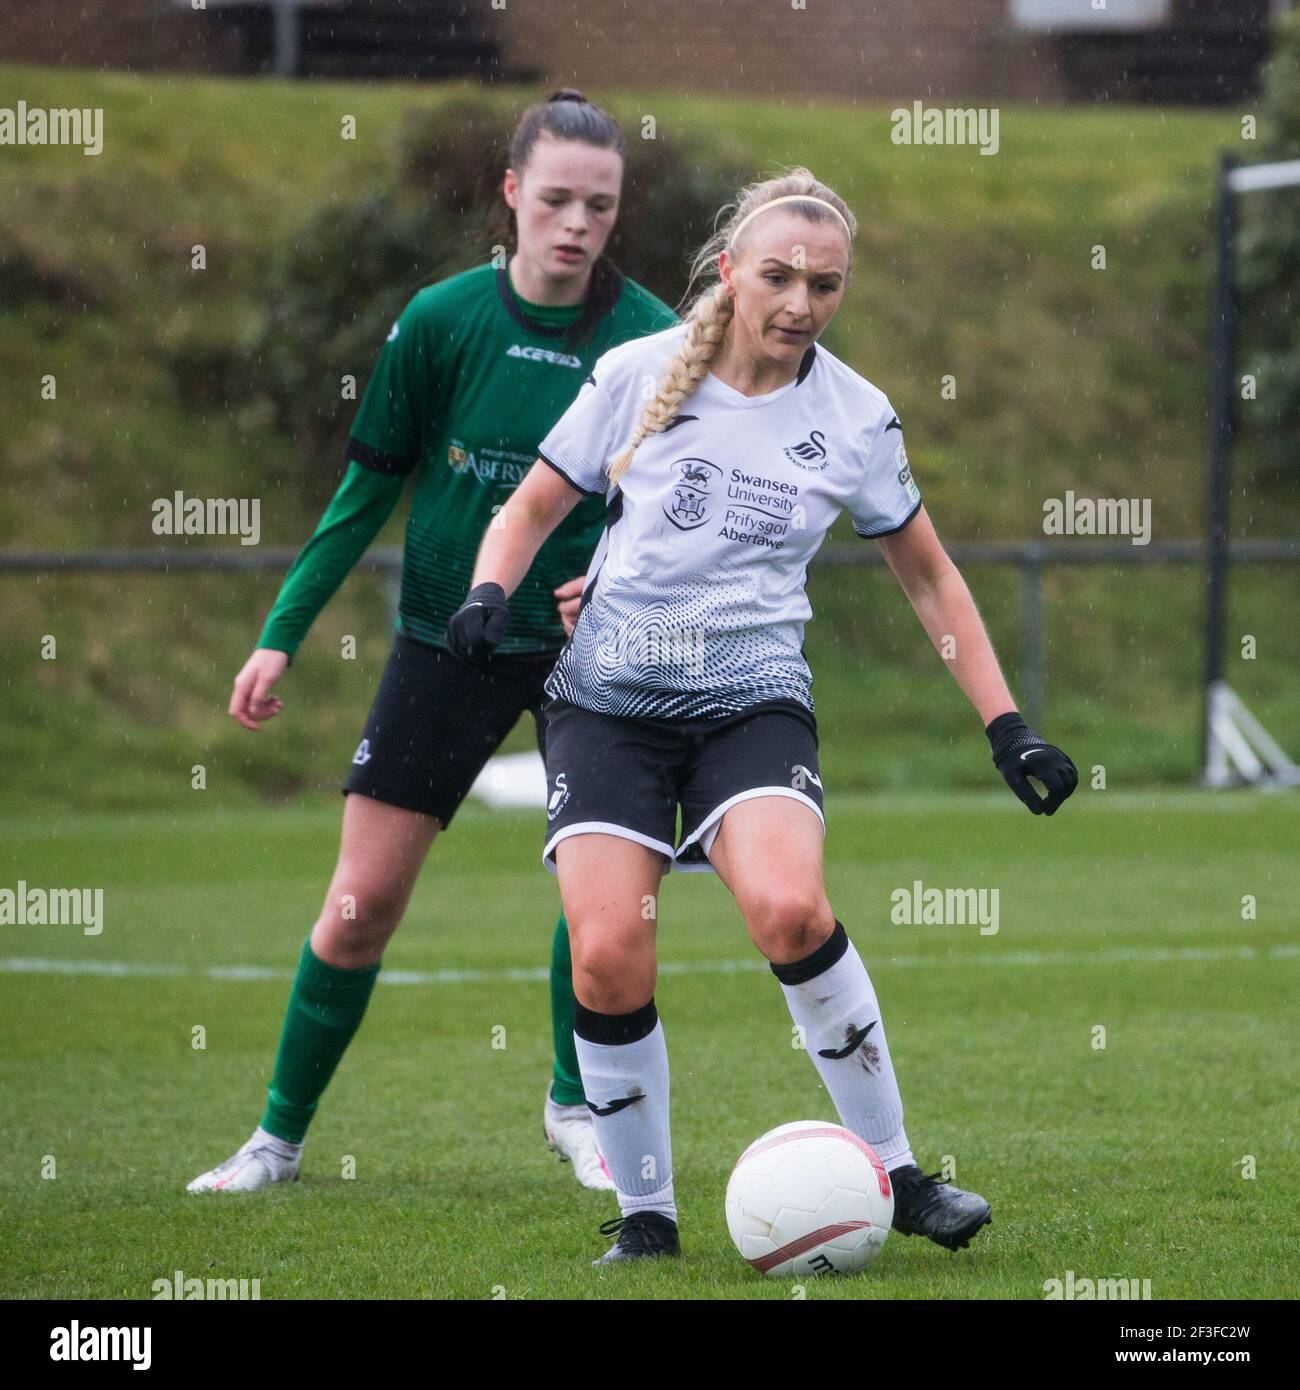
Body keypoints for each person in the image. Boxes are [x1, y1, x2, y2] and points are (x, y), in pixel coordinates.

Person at [445, 167, 1079, 1263]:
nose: (798, 303)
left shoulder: (853, 416)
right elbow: (533, 506)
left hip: (752, 701)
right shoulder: (636, 374)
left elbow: (929, 580)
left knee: (789, 908)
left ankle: (898, 1171)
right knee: (604, 954)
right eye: (778, 276)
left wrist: (1006, 723)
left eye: (823, 285)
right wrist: (486, 594)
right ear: (730, 269)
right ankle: (646, 1220)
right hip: (607, 704)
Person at [187, 90, 679, 1195]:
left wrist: (607, 583)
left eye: (598, 205)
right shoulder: (442, 321)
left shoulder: (653, 337)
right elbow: (363, 494)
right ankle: (276, 1138)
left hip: (594, 657)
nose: (575, 222)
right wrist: (279, 638)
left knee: (603, 904)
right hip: (440, 643)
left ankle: (576, 1106)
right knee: (360, 906)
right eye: (553, 198)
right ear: (510, 193)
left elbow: (674, 502)